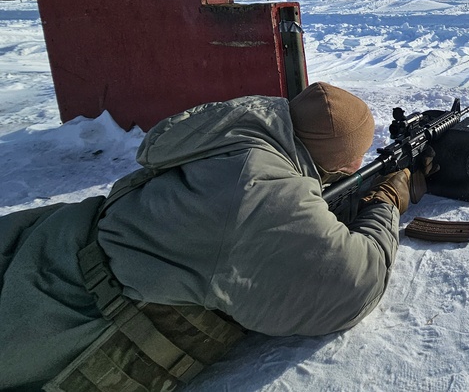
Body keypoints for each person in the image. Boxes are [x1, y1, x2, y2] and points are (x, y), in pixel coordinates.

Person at [0, 82, 427, 391]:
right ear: (338, 162)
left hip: (47, 239)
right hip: (53, 318)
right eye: (354, 161)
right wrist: (385, 201)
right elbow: (353, 285)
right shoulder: (259, 190)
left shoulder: (245, 130)